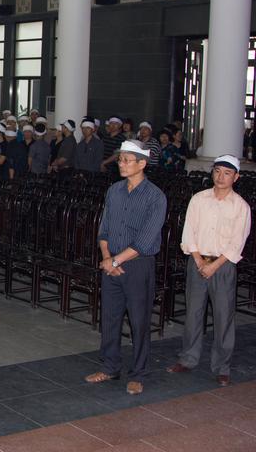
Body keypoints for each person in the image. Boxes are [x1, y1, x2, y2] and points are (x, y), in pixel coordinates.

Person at [85, 140, 167, 395]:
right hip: (111, 264)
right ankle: (110, 366)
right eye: (120, 160)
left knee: (139, 321)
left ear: (142, 164)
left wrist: (116, 261)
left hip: (138, 266)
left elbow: (145, 240)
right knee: (109, 318)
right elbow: (104, 228)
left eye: (126, 160)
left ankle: (138, 373)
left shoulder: (155, 196)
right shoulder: (114, 191)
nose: (121, 164)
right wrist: (107, 257)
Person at [167, 155, 251, 387]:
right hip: (197, 262)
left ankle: (222, 367)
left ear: (236, 177)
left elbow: (237, 243)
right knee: (193, 312)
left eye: (227, 173)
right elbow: (189, 233)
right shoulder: (199, 199)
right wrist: (199, 261)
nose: (220, 177)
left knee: (223, 316)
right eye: (217, 171)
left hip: (223, 266)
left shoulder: (241, 206)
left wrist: (213, 265)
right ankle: (188, 358)